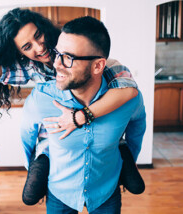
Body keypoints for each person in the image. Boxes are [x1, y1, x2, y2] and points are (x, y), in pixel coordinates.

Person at [0, 8, 142, 205]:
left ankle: (120, 152)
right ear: (20, 53)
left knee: (122, 167)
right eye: (27, 46)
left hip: (98, 126)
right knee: (35, 185)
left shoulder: (91, 58)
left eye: (38, 35)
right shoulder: (30, 69)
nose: (39, 46)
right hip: (57, 137)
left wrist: (81, 116)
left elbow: (130, 90)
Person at [21, 16, 146, 213]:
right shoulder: (41, 100)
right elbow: (27, 138)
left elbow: (138, 125)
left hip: (106, 189)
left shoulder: (127, 99)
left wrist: (130, 159)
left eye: (68, 58)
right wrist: (33, 170)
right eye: (57, 54)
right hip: (60, 191)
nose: (56, 64)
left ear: (98, 66)